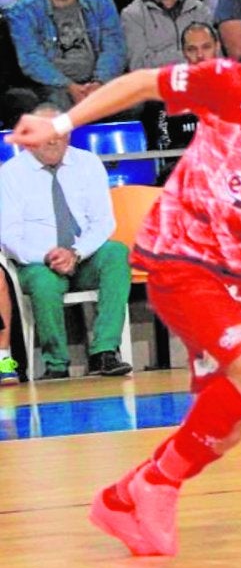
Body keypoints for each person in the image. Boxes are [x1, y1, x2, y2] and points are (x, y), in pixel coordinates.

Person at [9, 0, 241, 556]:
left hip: (237, 279)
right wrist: (59, 122)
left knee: (226, 427)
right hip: (180, 257)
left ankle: (125, 495)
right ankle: (155, 486)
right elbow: (141, 83)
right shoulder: (236, 82)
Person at [0, 105, 133, 381]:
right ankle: (56, 363)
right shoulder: (10, 174)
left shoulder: (88, 163)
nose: (52, 140)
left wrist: (76, 252)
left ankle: (104, 352)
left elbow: (103, 223)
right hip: (38, 262)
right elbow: (9, 236)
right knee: (44, 282)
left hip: (83, 257)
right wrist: (48, 256)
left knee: (117, 253)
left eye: (59, 132)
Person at [6, 0, 127, 112]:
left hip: (97, 81)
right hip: (51, 84)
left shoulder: (102, 3)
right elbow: (31, 59)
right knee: (58, 104)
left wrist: (99, 84)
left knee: (133, 103)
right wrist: (69, 86)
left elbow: (114, 49)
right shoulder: (24, 10)